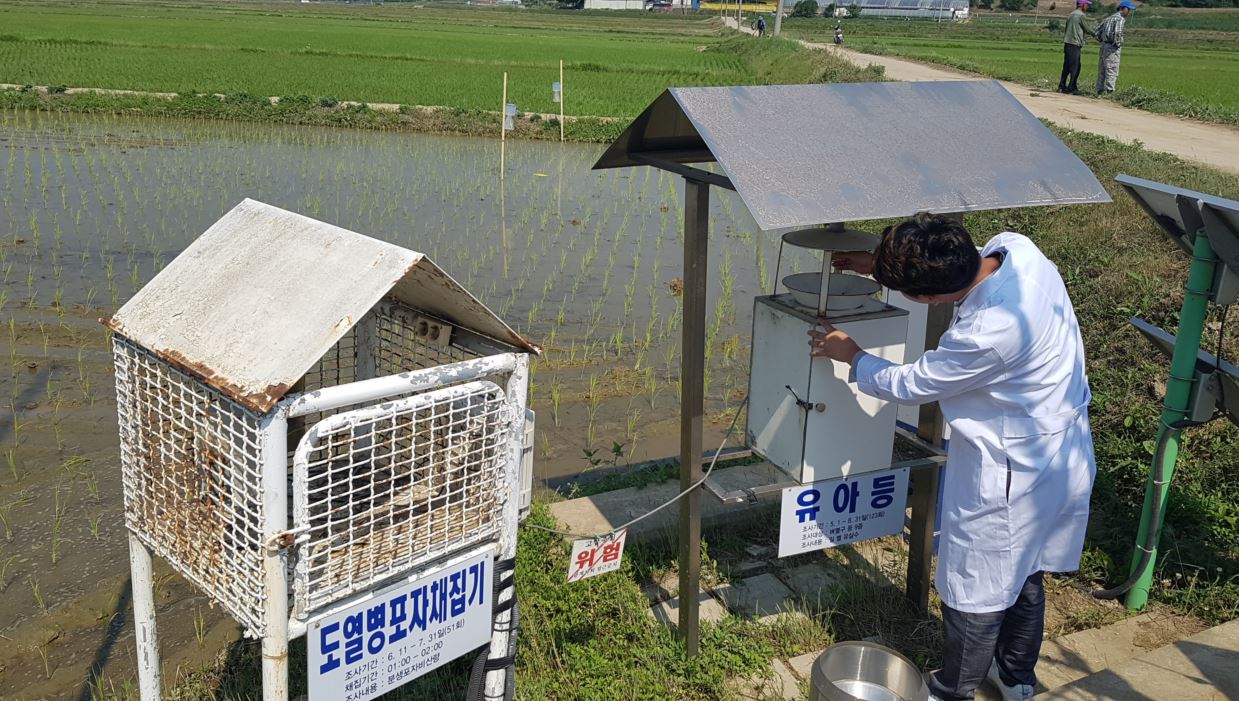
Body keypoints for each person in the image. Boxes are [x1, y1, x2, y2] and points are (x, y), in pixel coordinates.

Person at [808, 214, 1096, 701]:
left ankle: (952, 689)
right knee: (1024, 571)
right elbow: (940, 266)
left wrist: (851, 353)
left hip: (1012, 469)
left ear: (930, 299)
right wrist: (878, 267)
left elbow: (913, 383)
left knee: (976, 591)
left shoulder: (991, 331)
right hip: (1059, 449)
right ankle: (1017, 676)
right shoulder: (1015, 251)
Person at [1095, 0, 1134, 94]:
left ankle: (1099, 90)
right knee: (1112, 68)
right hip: (1112, 47)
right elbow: (1117, 33)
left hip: (1104, 46)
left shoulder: (1109, 18)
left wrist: (1103, 41)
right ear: (1124, 8)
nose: (1129, 12)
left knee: (1102, 69)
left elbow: (1096, 32)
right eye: (1128, 9)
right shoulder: (1120, 19)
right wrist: (1118, 43)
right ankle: (1110, 91)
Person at [1059, 0, 1096, 94]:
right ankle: (1072, 87)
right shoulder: (1080, 15)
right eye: (1087, 5)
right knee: (1076, 67)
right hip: (1075, 43)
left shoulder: (1071, 14)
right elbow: (1087, 29)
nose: (1087, 7)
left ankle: (1062, 85)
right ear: (1082, 5)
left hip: (1067, 43)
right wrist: (1096, 35)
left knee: (1067, 65)